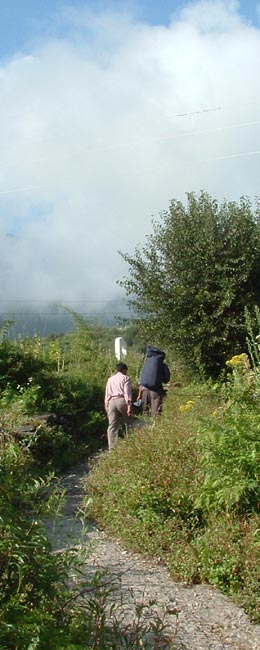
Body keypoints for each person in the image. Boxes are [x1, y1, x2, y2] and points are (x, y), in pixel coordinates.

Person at [104, 362, 132, 451]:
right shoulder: (125, 378)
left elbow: (107, 394)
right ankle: (131, 443)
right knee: (128, 422)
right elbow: (127, 393)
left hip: (111, 402)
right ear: (124, 370)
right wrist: (129, 406)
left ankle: (112, 448)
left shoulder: (110, 379)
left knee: (112, 425)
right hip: (121, 400)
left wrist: (106, 406)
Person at [139, 345, 170, 417]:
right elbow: (166, 379)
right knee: (156, 412)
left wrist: (139, 394)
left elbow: (141, 380)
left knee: (145, 411)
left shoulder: (146, 364)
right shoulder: (162, 365)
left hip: (145, 391)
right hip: (156, 391)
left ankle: (146, 426)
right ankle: (156, 427)